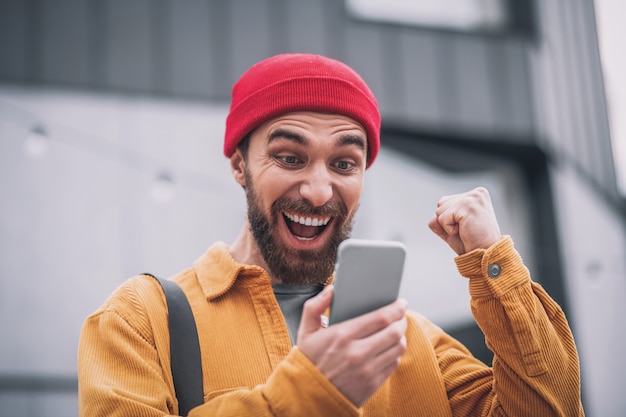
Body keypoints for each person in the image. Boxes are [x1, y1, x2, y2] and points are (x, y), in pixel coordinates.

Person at [77, 53, 584, 416]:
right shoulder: (140, 319)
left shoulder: (411, 340)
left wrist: (494, 265)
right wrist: (313, 393)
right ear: (239, 164)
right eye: (290, 157)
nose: (320, 192)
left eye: (345, 162)